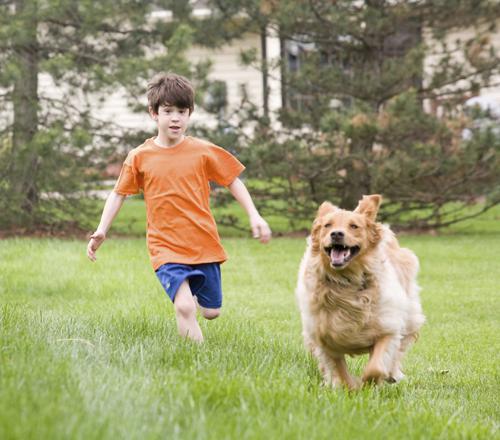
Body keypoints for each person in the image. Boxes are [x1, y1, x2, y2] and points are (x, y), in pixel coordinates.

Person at [87, 72, 271, 342]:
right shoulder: (139, 157)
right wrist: (102, 229)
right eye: (168, 111)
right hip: (165, 245)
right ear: (154, 114)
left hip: (202, 241)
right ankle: (197, 364)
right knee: (184, 307)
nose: (175, 118)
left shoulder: (203, 151)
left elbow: (233, 181)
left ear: (190, 114)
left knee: (211, 312)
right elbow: (118, 194)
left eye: (182, 112)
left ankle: (191, 294)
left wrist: (254, 215)